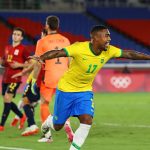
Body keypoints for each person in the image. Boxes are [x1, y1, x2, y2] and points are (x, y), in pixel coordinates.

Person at [30, 25, 150, 150]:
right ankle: (47, 123)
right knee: (58, 126)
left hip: (84, 91)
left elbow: (129, 54)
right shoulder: (79, 48)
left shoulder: (109, 50)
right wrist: (42, 57)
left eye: (109, 35)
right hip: (66, 90)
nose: (109, 39)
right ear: (95, 38)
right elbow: (59, 52)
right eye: (106, 35)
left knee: (87, 120)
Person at [32, 15, 74, 142]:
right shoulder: (66, 40)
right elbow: (70, 60)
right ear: (58, 26)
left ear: (47, 26)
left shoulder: (42, 42)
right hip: (64, 77)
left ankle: (47, 136)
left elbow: (38, 62)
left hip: (49, 76)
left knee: (44, 103)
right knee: (64, 105)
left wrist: (34, 80)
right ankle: (67, 125)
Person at [0, 27, 30, 131]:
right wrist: (2, 62)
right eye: (14, 34)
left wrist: (19, 64)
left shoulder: (24, 49)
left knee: (7, 98)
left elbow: (30, 63)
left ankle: (1, 125)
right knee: (6, 100)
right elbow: (4, 62)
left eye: (18, 34)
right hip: (5, 78)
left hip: (15, 78)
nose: (15, 36)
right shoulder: (7, 47)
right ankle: (22, 116)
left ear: (21, 37)